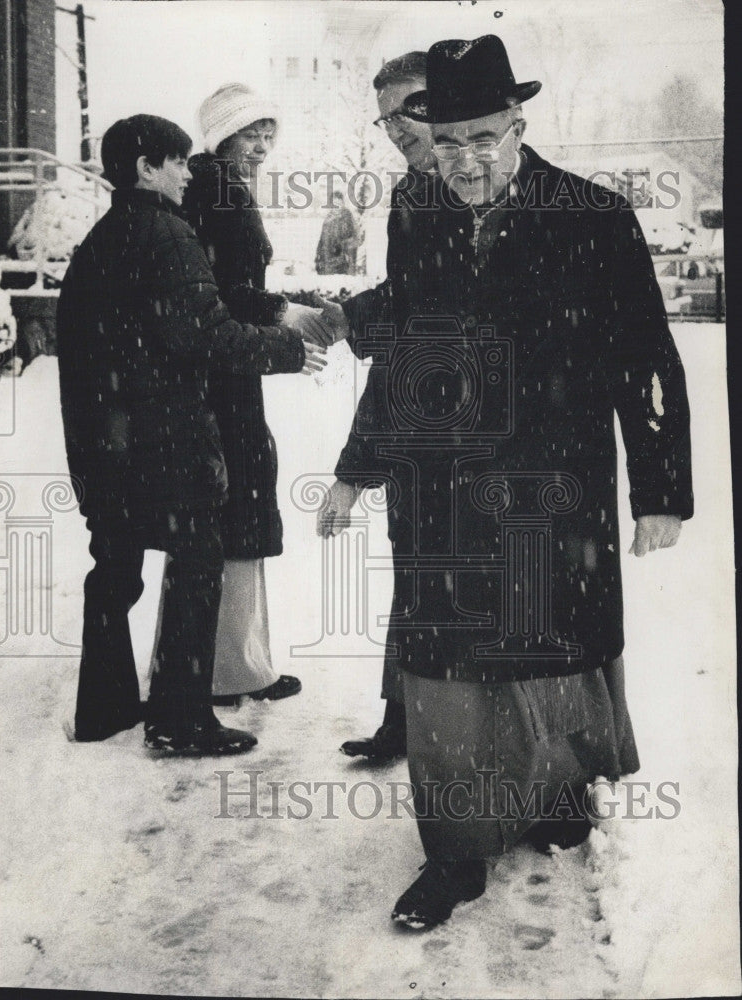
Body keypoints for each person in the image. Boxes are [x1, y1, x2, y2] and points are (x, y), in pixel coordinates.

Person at [313, 36, 692, 929]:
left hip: (554, 481)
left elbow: (646, 354)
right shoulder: (414, 206)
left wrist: (661, 489)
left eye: (484, 137)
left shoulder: (591, 214)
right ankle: (452, 854)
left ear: (519, 124)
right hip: (444, 485)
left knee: (552, 651)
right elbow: (406, 344)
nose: (464, 160)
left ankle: (557, 801)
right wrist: (355, 470)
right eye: (446, 142)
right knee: (447, 671)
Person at [56, 114, 325, 756]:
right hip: (167, 443)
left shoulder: (101, 240)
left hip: (105, 443)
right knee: (197, 565)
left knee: (114, 571)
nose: (186, 173)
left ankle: (105, 704)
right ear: (146, 168)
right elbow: (207, 333)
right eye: (176, 162)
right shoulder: (169, 237)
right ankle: (180, 718)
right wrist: (287, 348)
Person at [309, 51, 436, 762]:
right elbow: (408, 322)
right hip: (420, 436)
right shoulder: (411, 200)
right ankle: (403, 721)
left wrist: (350, 319)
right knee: (416, 587)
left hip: (489, 446)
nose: (396, 128)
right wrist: (343, 318)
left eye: (410, 107)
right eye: (386, 116)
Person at [181, 82, 323, 707]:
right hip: (224, 374)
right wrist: (285, 315)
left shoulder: (206, 187)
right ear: (222, 136)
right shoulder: (221, 191)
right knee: (237, 509)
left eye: (270, 132)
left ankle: (235, 664)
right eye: (252, 133)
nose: (263, 145)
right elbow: (226, 294)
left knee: (229, 511)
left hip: (219, 372)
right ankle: (229, 670)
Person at [314, 190, 360, 275]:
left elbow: (352, 238)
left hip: (342, 260)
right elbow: (322, 240)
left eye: (339, 203)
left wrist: (342, 247)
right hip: (327, 260)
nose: (336, 206)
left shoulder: (347, 217)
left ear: (343, 204)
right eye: (334, 203)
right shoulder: (328, 220)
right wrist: (318, 257)